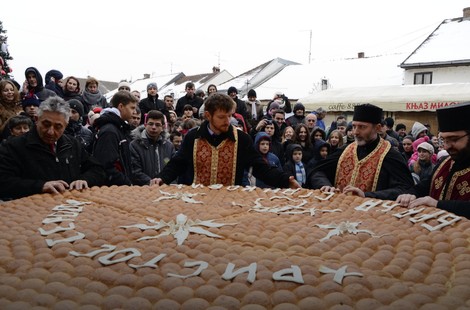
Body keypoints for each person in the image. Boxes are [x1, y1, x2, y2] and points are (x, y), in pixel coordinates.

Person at [153, 93, 300, 188]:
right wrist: (161, 178)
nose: (227, 121)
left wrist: (285, 180)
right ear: (208, 116)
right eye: (222, 117)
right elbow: (177, 163)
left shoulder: (242, 139)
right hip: (197, 202)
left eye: (229, 116)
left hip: (230, 204)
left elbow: (261, 168)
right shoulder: (193, 137)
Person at [0, 96, 105, 200]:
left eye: (58, 127)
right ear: (36, 120)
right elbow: (4, 181)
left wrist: (84, 180)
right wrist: (40, 186)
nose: (50, 132)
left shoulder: (72, 144)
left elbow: (97, 169)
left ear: (66, 125)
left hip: (68, 207)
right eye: (46, 124)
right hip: (30, 209)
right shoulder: (13, 146)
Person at [308, 103, 413, 200]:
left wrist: (366, 195)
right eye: (354, 126)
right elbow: (317, 171)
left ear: (378, 128)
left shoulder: (390, 155)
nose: (355, 132)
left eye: (362, 127)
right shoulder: (345, 151)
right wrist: (325, 185)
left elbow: (405, 189)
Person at [396, 102, 470, 218]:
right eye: (444, 140)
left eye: (454, 139)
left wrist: (437, 204)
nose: (446, 146)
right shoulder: (445, 162)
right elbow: (425, 185)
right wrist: (410, 194)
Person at [92, 91, 137, 186]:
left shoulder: (118, 128)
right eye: (132, 108)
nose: (134, 112)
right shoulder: (110, 131)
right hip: (111, 190)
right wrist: (127, 183)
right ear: (121, 106)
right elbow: (107, 167)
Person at [130, 110, 175, 186]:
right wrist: (151, 183)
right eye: (151, 124)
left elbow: (173, 169)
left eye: (157, 125)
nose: (153, 127)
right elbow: (135, 171)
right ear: (145, 124)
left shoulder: (169, 146)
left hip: (166, 189)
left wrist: (166, 183)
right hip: (142, 190)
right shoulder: (135, 145)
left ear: (163, 127)